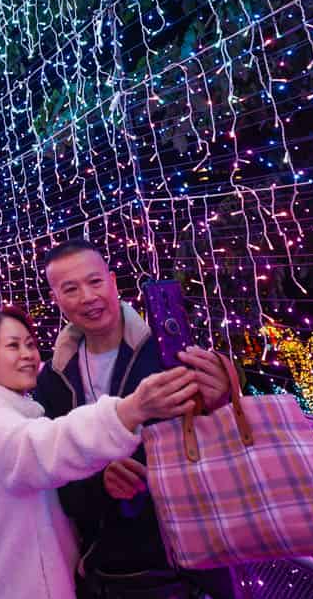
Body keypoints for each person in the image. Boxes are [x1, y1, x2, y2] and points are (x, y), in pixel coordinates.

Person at [32, 241, 236, 599]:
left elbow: (222, 435)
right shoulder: (53, 379)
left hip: (191, 566)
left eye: (95, 282)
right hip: (106, 572)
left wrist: (225, 394)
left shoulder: (171, 350)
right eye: (71, 289)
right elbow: (57, 481)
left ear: (113, 282)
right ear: (57, 300)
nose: (87, 297)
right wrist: (100, 482)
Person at [0, 304, 200, 599]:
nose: (27, 355)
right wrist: (129, 410)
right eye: (13, 346)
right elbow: (47, 446)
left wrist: (101, 476)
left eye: (30, 344)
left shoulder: (19, 413)